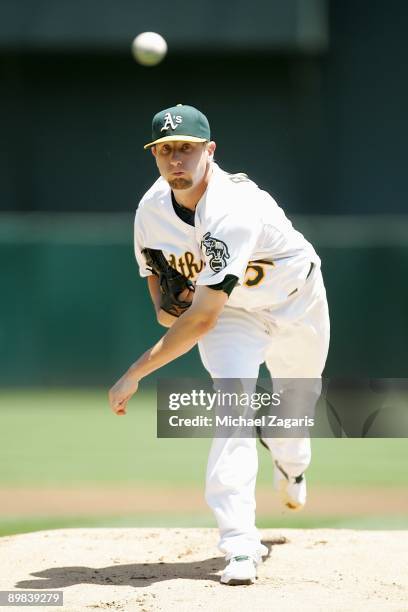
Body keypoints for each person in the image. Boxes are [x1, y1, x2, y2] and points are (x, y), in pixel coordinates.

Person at [109, 104, 330, 586]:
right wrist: (173, 307)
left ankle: (289, 459)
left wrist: (135, 373)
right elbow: (167, 307)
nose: (175, 160)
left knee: (295, 410)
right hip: (233, 315)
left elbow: (200, 318)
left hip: (295, 302)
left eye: (186, 148)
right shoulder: (150, 212)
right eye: (165, 150)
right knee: (233, 408)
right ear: (154, 155)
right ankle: (238, 543)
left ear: (210, 151)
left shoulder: (232, 208)